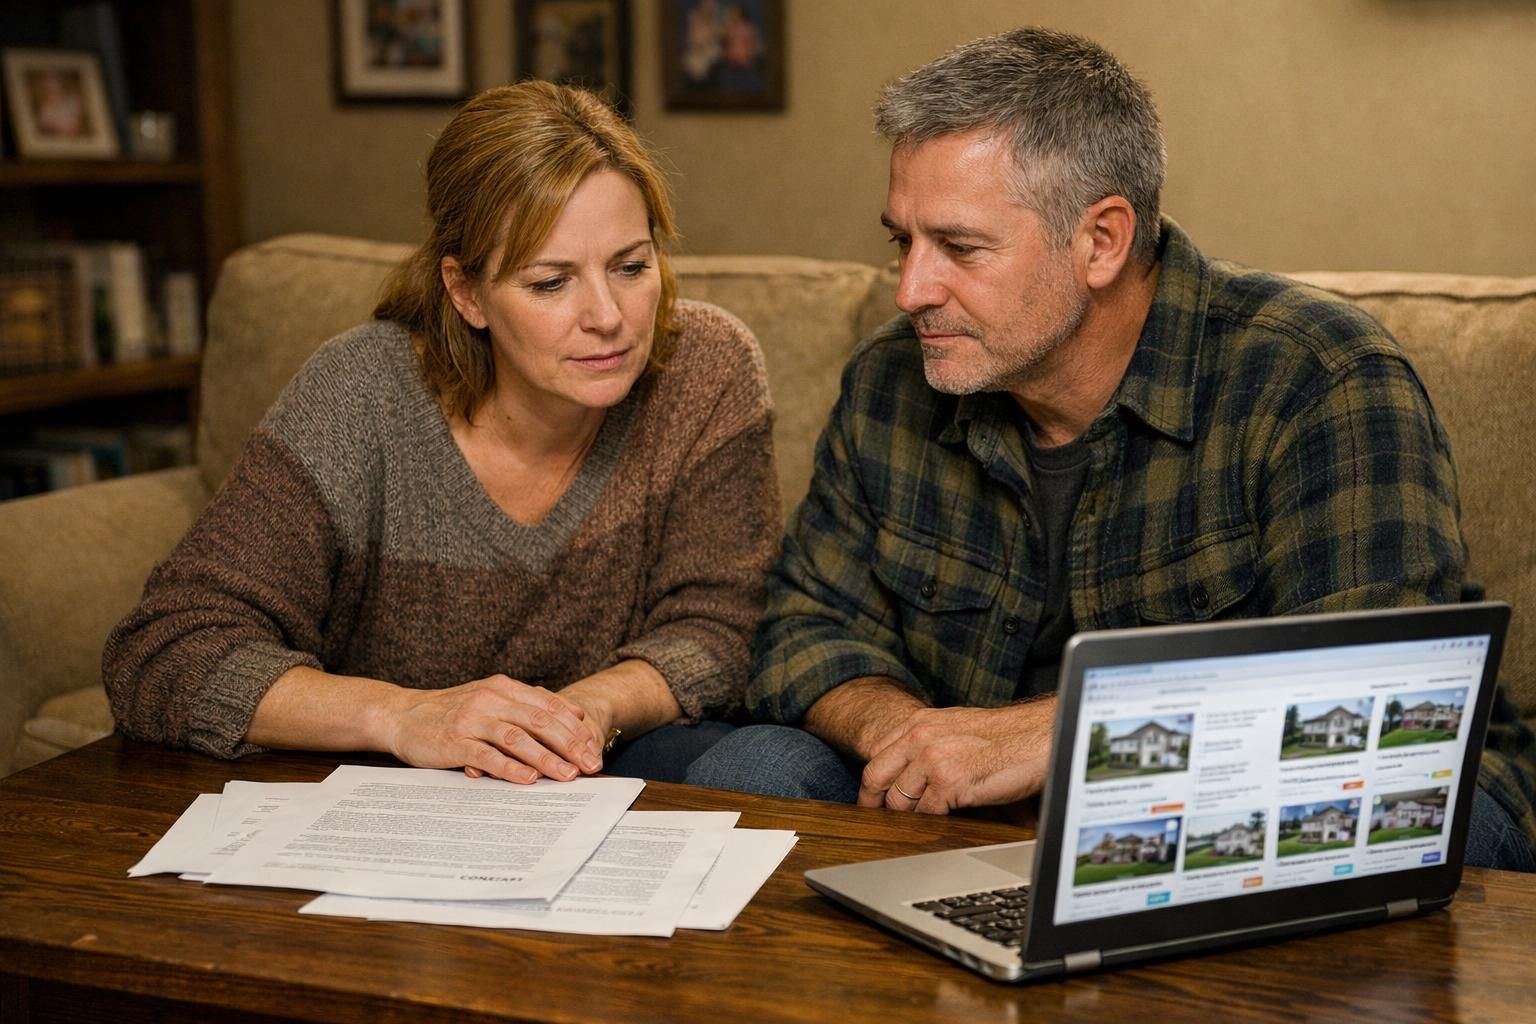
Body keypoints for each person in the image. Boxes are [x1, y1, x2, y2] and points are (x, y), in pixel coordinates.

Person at [685, 27, 1536, 870]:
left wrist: (1069, 736)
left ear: (1101, 241)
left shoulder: (1316, 377)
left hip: (1272, 804)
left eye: (959, 247)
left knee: (1398, 832)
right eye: (902, 240)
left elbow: (1375, 704)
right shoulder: (892, 381)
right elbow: (806, 625)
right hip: (967, 810)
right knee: (751, 767)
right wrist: (903, 735)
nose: (912, 290)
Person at [104, 81, 781, 786]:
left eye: (632, 266)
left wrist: (575, 712)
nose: (609, 316)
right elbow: (163, 651)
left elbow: (726, 629)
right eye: (551, 283)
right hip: (382, 790)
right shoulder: (361, 392)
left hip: (606, 762)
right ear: (465, 292)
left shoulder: (705, 368)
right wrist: (402, 716)